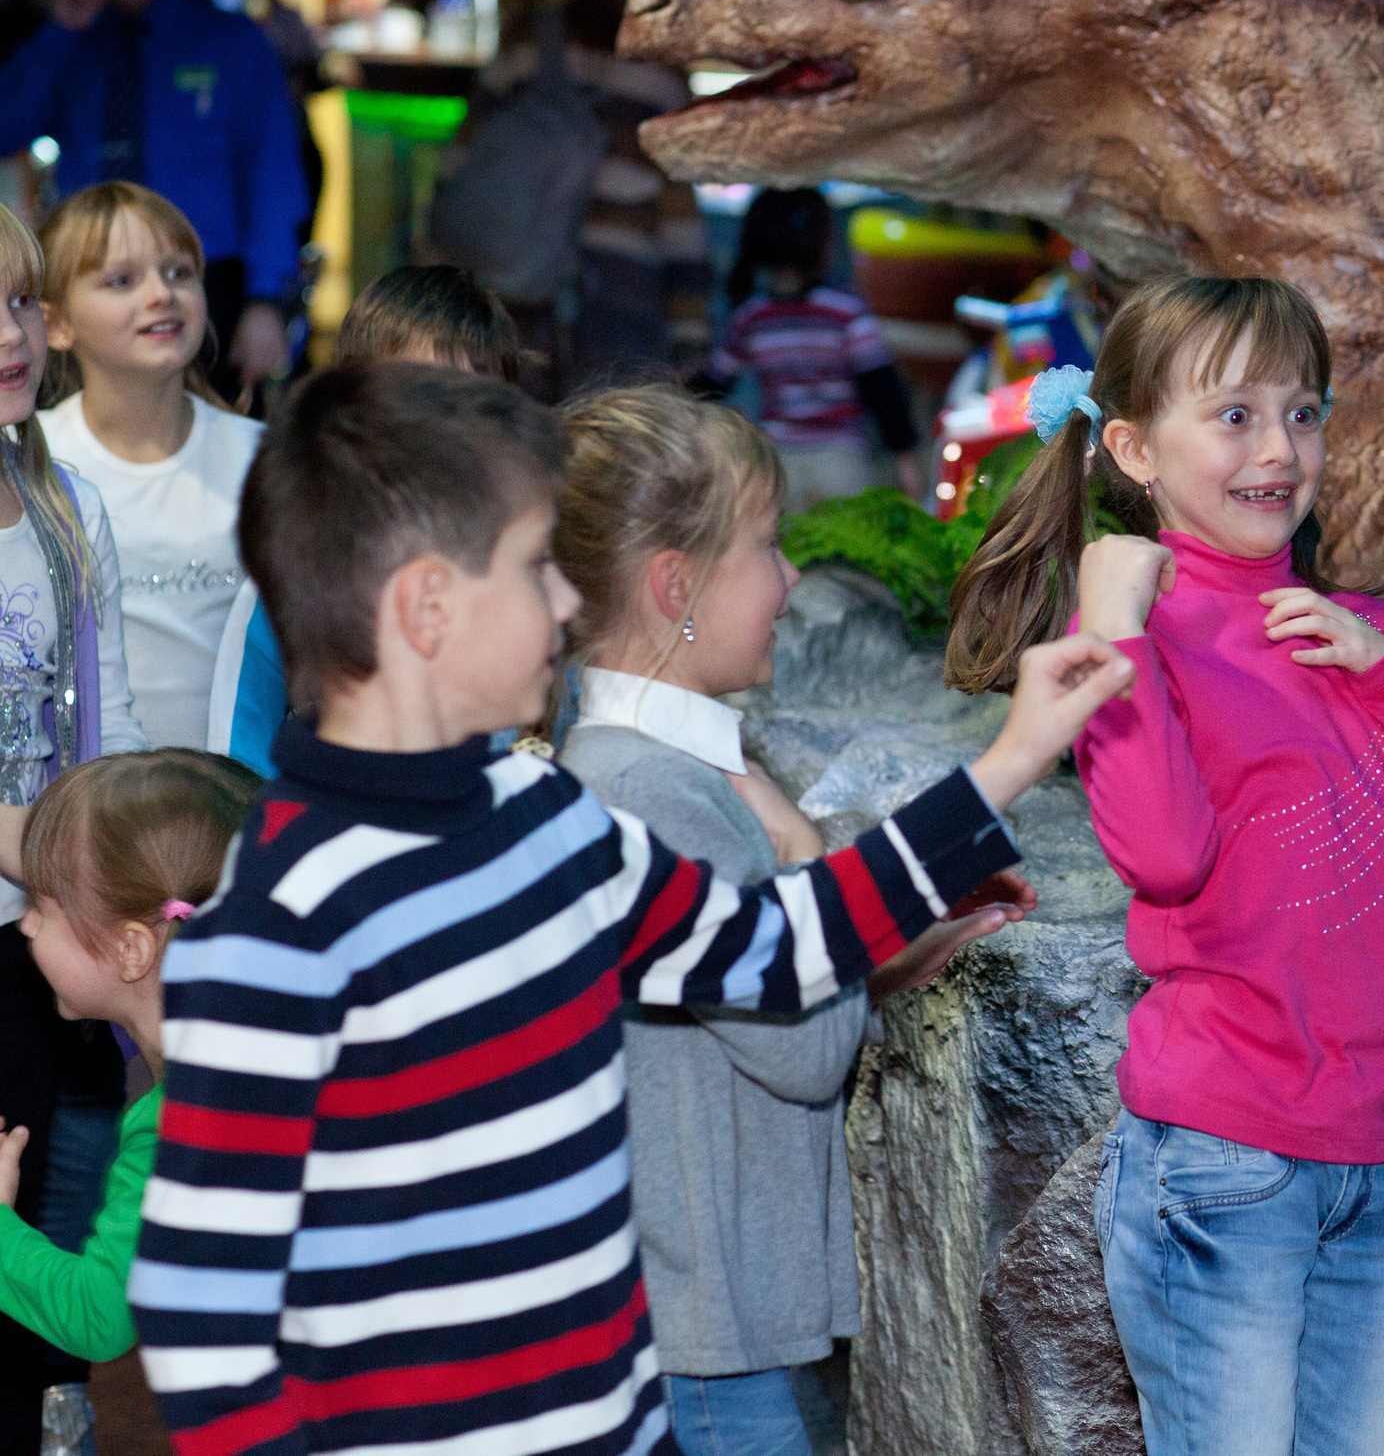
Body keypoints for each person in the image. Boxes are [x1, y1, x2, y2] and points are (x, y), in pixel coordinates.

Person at [129, 362, 1134, 1456]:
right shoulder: (273, 927)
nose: (568, 602)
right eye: (533, 569)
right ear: (427, 607)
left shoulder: (549, 822)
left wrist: (1009, 762)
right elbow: (205, 1306)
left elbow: (774, 947)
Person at [945, 276, 1384, 1456]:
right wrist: (1115, 633)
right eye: (1235, 415)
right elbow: (1165, 856)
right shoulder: (1135, 643)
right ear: (1135, 450)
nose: (1279, 448)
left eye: (1302, 412)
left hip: (1375, 1164)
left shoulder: (1372, 637)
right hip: (1221, 1165)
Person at [552, 385, 1010, 1456]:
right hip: (703, 1336)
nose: (790, 577)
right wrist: (801, 846)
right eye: (766, 545)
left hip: (701, 1321)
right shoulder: (654, 789)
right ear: (676, 586)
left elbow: (741, 982)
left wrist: (888, 951)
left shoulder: (646, 767)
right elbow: (801, 1049)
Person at [0, 204, 147, 1455]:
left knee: (56, 1198)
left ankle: (49, 1409)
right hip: (33, 889)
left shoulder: (63, 505)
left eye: (15, 304)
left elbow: (112, 725)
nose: (9, 335)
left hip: (50, 935)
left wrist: (117, 873)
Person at [205, 263, 523, 776]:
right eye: (415, 395)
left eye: (471, 403)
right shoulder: (293, 574)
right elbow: (239, 758)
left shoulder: (524, 575)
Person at [0, 0, 306, 400]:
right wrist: (57, 34)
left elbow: (273, 176)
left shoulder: (232, 42)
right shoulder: (72, 41)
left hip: (204, 280)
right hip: (88, 278)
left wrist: (266, 303)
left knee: (211, 435)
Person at [0, 751, 260, 1368]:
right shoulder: (264, 1066)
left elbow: (99, 1313)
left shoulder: (180, 1121)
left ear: (132, 950)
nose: (27, 926)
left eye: (44, 905)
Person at [37, 183, 265, 753]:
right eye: (121, 281)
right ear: (55, 324)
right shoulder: (33, 460)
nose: (162, 295)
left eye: (179, 273)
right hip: (86, 792)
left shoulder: (263, 459)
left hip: (237, 788)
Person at [478, 0, 707, 393]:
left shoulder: (528, 43)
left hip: (518, 275)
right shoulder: (659, 69)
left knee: (517, 428)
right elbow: (678, 213)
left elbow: (468, 159)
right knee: (610, 433)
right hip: (625, 284)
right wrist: (691, 329)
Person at [698, 188, 921, 510]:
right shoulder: (847, 311)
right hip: (841, 463)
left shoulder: (751, 317)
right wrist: (906, 460)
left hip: (779, 467)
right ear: (824, 243)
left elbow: (714, 382)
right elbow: (882, 389)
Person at [213, 0, 326, 229]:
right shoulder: (211, 17)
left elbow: (311, 67)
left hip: (291, 141)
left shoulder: (287, 16)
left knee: (295, 228)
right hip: (231, 149)